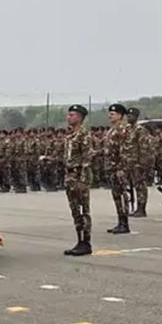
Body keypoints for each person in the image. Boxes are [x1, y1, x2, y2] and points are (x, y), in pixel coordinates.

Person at [64, 105, 93, 256]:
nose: (69, 117)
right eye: (68, 115)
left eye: (72, 115)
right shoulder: (71, 135)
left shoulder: (84, 135)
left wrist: (82, 180)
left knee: (83, 211)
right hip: (70, 178)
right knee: (75, 211)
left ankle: (85, 242)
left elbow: (87, 158)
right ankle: (79, 240)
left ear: (80, 117)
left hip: (79, 177)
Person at [104, 104, 134, 234]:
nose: (110, 116)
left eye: (113, 114)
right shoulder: (113, 129)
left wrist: (122, 168)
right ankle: (120, 221)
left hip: (119, 168)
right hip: (111, 167)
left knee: (122, 195)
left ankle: (124, 223)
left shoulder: (122, 129)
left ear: (120, 115)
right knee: (116, 195)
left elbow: (125, 150)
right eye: (110, 113)